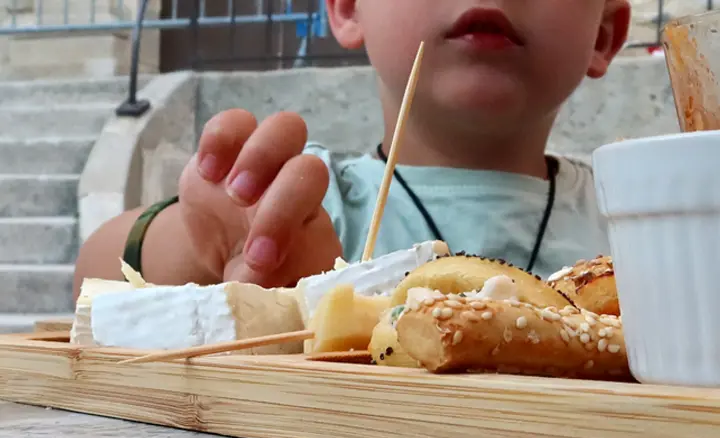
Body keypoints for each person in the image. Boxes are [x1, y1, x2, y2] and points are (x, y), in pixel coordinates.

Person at [73, 0, 631, 297]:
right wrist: (205, 249)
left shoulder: (642, 218)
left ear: (604, 35)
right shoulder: (304, 202)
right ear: (346, 7)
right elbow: (95, 277)